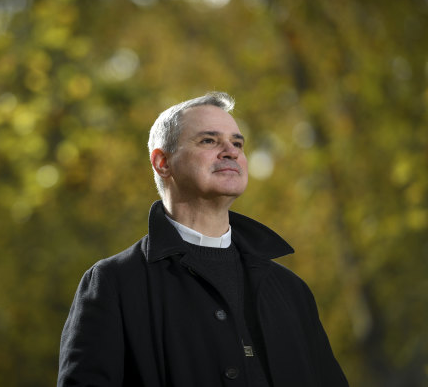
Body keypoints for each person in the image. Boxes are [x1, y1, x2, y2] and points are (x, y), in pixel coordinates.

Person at [57, 92, 349, 387]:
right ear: (162, 162)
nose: (231, 151)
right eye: (209, 140)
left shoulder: (291, 290)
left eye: (237, 143)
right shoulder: (113, 284)